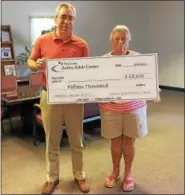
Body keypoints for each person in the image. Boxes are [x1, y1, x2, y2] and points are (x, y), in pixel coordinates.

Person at [27, 3, 90, 195]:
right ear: (55, 19)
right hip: (50, 96)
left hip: (73, 98)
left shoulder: (82, 45)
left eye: (70, 18)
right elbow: (30, 61)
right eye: (63, 17)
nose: (66, 21)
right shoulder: (42, 40)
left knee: (76, 140)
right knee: (52, 140)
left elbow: (87, 72)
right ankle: (52, 178)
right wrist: (36, 64)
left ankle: (79, 175)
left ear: (74, 21)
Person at [99, 25, 161, 192]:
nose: (121, 42)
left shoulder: (138, 59)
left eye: (124, 39)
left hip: (133, 107)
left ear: (129, 41)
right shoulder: (103, 61)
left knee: (129, 141)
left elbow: (149, 80)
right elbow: (97, 85)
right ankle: (115, 171)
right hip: (110, 108)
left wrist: (154, 91)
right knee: (115, 142)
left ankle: (128, 174)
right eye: (117, 39)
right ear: (111, 41)